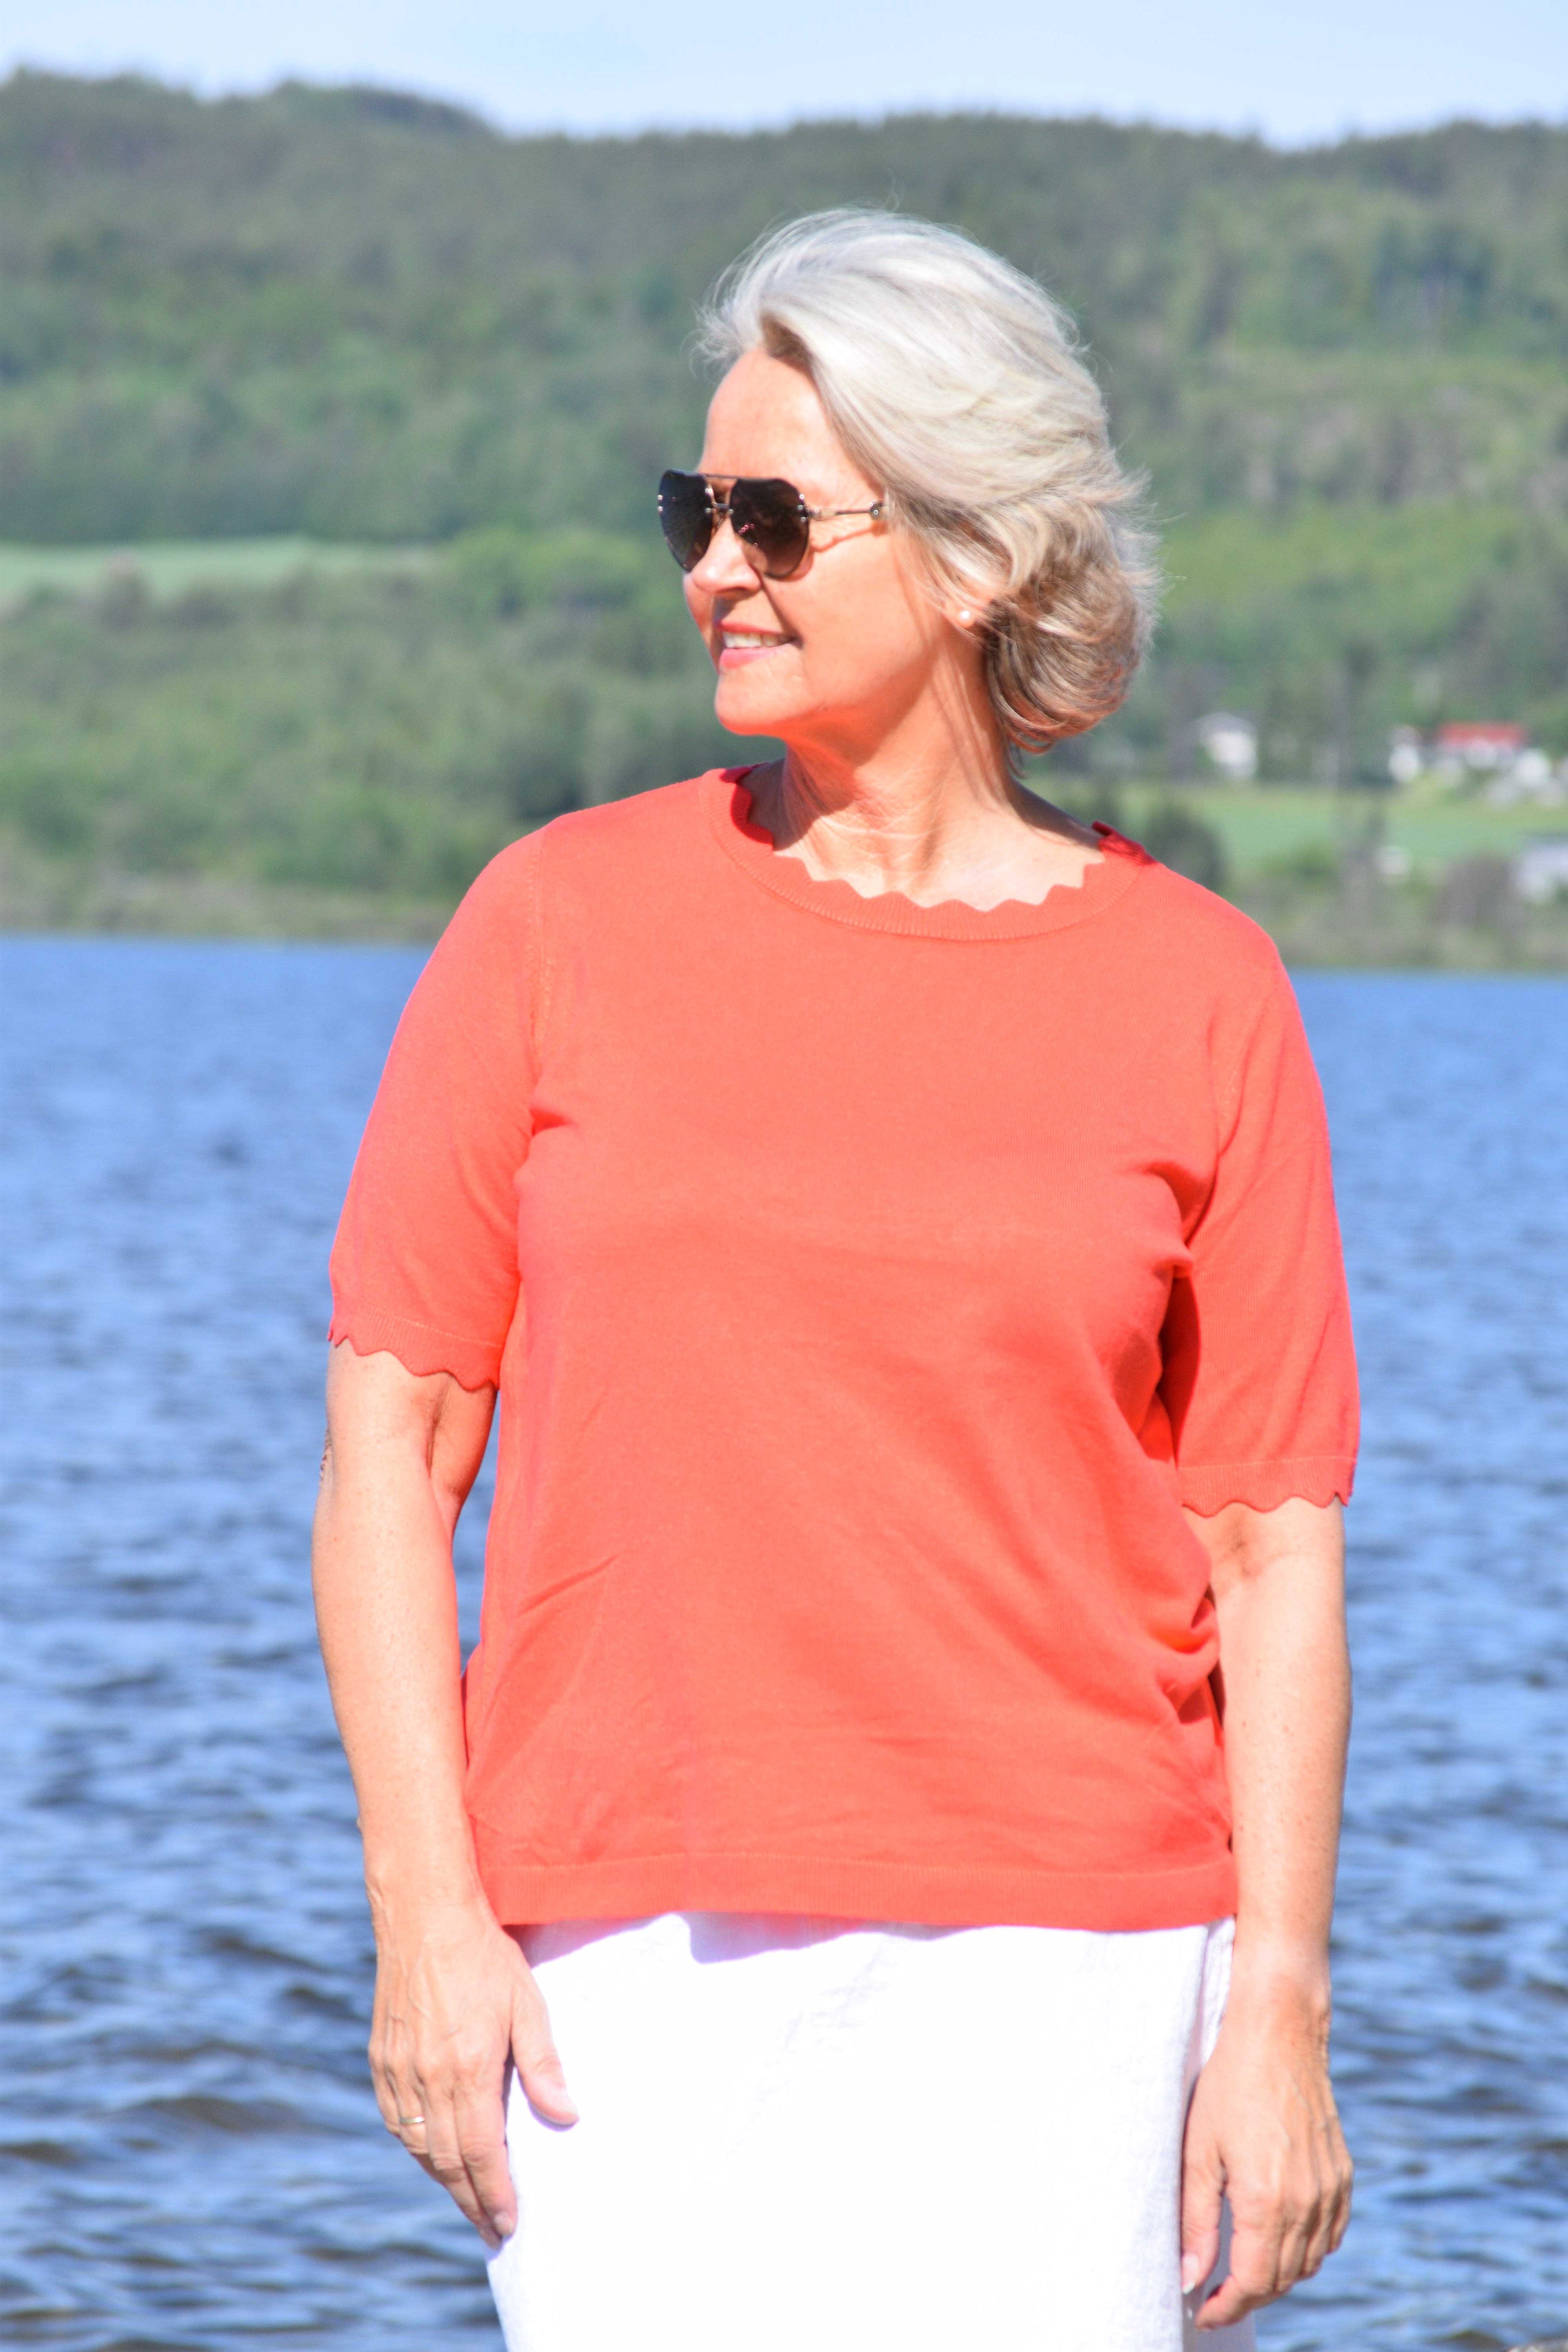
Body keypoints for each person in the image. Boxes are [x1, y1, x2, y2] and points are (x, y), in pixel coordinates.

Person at [313, 209, 1358, 2352]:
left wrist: (1277, 2009)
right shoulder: (553, 922)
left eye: (776, 519)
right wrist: (426, 1918)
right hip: (629, 1969)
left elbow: (1269, 1549)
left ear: (977, 556)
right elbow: (390, 1455)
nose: (717, 566)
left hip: (1076, 1982)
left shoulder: (1204, 991)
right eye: (695, 512)